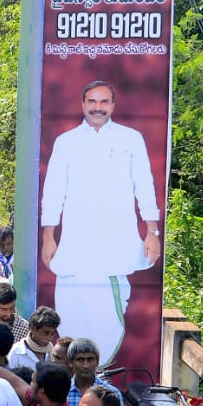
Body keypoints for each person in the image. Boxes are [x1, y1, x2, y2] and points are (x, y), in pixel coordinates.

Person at [41, 80, 160, 362]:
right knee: (70, 317)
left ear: (113, 106)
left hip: (115, 250)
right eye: (92, 102)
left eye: (104, 102)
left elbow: (144, 185)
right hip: (74, 248)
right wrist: (49, 235)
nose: (97, 108)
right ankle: (73, 385)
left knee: (108, 323)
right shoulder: (66, 142)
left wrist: (152, 230)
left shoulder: (130, 139)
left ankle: (99, 381)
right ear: (82, 105)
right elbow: (53, 191)